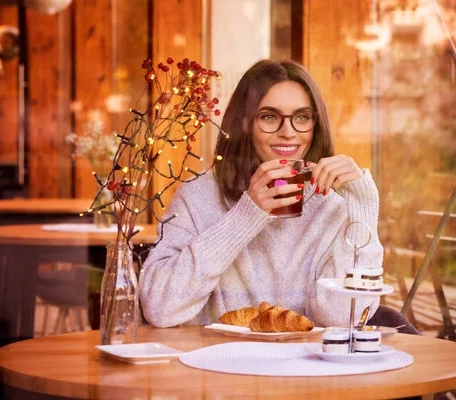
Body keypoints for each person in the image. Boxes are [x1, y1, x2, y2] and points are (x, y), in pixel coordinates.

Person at [140, 59, 404, 331]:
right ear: (243, 123)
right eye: (269, 117)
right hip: (219, 367)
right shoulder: (197, 198)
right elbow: (160, 308)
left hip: (308, 371)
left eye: (302, 117)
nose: (288, 133)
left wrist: (362, 206)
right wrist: (247, 215)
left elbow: (341, 318)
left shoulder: (333, 206)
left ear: (315, 125)